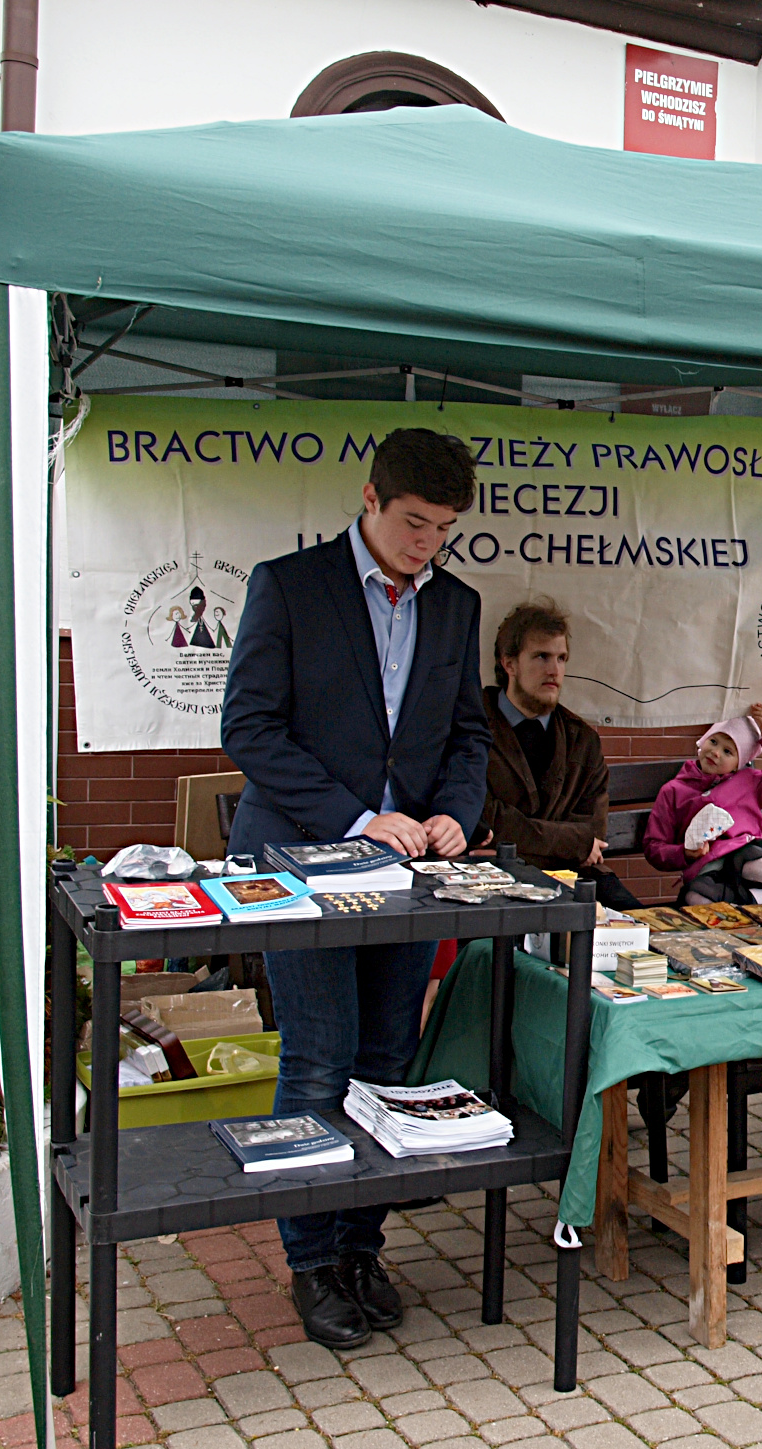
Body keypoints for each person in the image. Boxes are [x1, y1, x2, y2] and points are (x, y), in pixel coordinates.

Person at [220, 428, 491, 1350]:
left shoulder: (456, 605)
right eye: (415, 523)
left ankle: (362, 1245)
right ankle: (312, 1263)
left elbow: (467, 737)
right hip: (296, 863)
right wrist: (353, 816)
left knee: (386, 1062)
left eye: (444, 530)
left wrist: (456, 812)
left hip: (408, 875)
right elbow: (250, 731)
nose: (427, 545)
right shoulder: (287, 586)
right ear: (370, 498)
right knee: (317, 1056)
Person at [473, 599, 638, 909]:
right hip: (495, 880)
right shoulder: (473, 725)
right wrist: (574, 843)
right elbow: (482, 821)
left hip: (576, 876)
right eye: (541, 657)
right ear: (510, 664)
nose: (554, 670)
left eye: (562, 658)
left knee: (649, 935)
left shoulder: (581, 738)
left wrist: (522, 840)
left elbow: (593, 832)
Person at [644, 704, 762, 904]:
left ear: (740, 763)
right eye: (713, 741)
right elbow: (654, 847)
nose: (716, 753)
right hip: (710, 871)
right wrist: (684, 853)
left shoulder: (750, 782)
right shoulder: (673, 790)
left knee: (756, 862)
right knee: (694, 896)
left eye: (728, 751)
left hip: (749, 860)